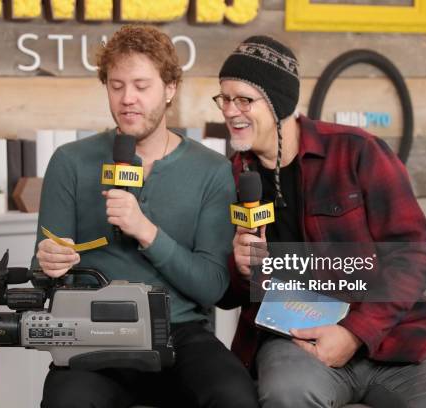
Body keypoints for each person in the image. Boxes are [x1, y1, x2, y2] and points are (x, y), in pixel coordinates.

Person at [215, 35, 426, 408]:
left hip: (394, 336)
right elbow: (226, 294)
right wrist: (241, 268)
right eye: (224, 99)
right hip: (294, 338)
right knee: (287, 395)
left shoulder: (357, 151)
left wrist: (355, 333)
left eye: (243, 99)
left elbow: (415, 254)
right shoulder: (228, 178)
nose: (230, 111)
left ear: (279, 102)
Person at [33, 25, 259, 408]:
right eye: (116, 86)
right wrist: (48, 264)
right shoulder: (69, 162)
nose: (127, 99)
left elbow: (212, 287)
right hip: (94, 333)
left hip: (180, 335)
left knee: (235, 397)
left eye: (141, 85)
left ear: (170, 88)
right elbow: (42, 279)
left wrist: (145, 231)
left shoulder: (212, 170)